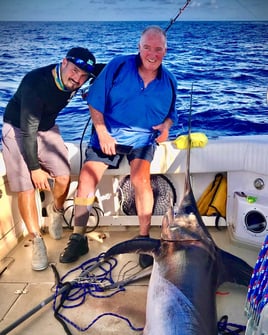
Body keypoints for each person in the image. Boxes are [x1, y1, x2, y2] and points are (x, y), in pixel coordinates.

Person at [60, 26, 178, 268]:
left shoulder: (170, 81)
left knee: (141, 180)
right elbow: (95, 99)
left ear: (165, 51)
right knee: (86, 179)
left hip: (143, 139)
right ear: (139, 47)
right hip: (108, 134)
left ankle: (144, 238)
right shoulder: (118, 66)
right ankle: (78, 236)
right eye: (147, 47)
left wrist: (166, 127)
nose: (152, 54)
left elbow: (171, 114)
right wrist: (102, 132)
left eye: (158, 49)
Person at [1, 47, 97, 271]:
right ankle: (36, 239)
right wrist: (35, 169)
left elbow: (105, 69)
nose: (78, 78)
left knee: (63, 176)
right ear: (63, 62)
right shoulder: (36, 84)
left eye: (84, 76)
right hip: (19, 128)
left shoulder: (80, 77)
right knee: (26, 187)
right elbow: (28, 132)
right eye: (75, 71)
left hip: (47, 127)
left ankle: (56, 211)